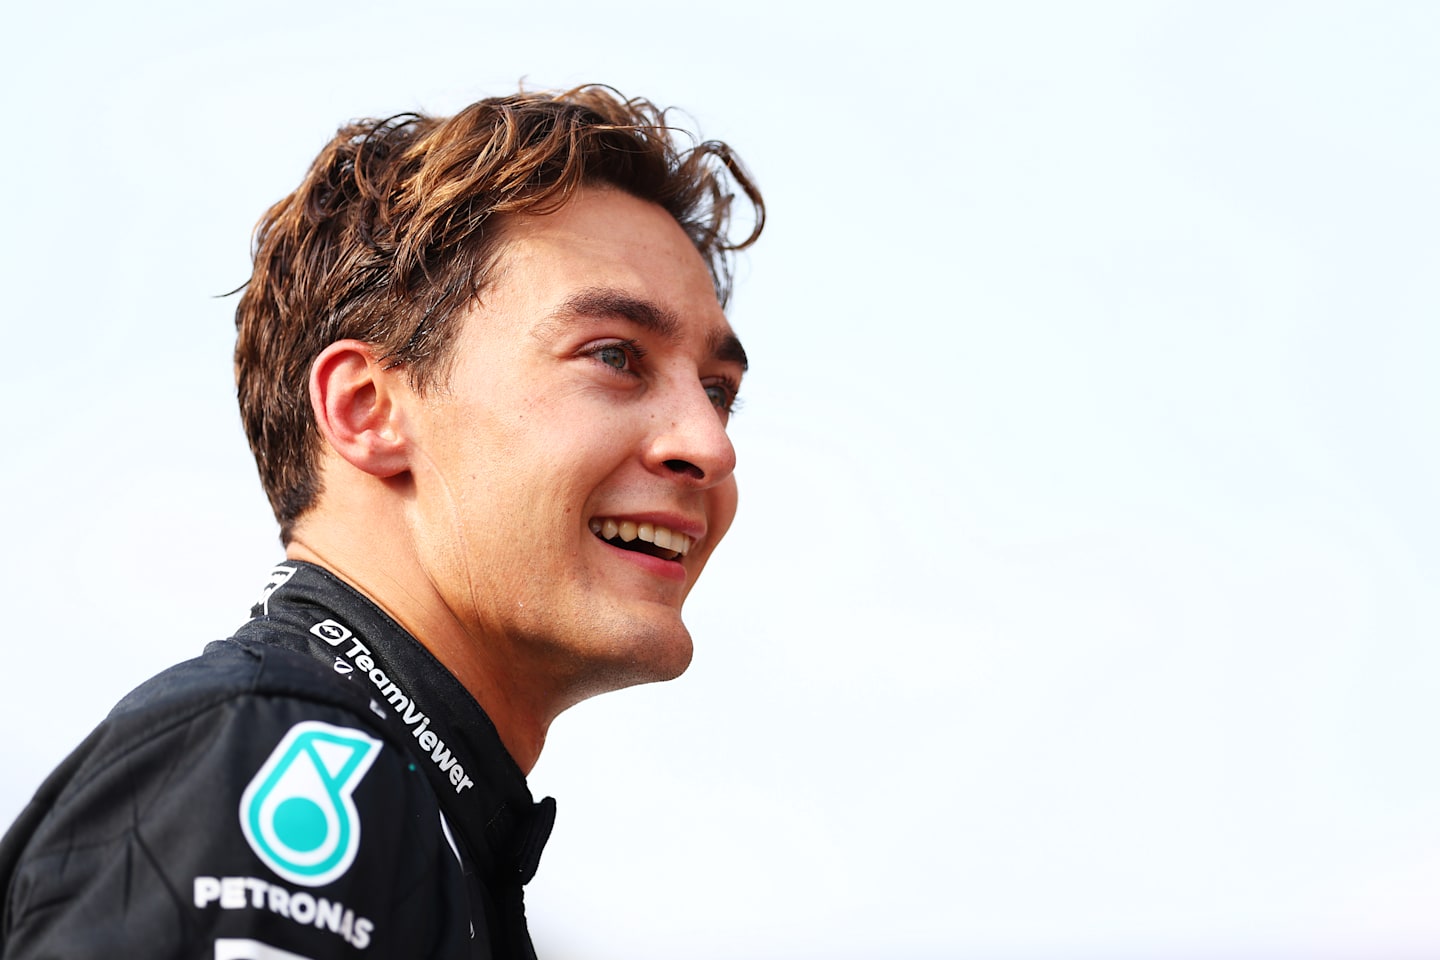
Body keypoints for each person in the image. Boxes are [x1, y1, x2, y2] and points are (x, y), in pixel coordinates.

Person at [0, 85, 763, 959]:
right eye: (614, 356)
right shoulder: (286, 759)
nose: (710, 445)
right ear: (367, 409)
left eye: (718, 392)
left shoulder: (414, 809)